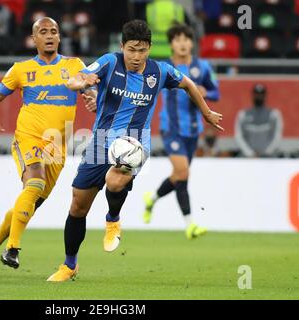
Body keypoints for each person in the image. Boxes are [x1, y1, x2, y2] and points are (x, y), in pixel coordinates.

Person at [47, 20, 223, 282]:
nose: (136, 56)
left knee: (113, 181)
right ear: (122, 47)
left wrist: (206, 112)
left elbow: (188, 84)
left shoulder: (160, 72)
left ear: (150, 48)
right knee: (77, 206)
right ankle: (69, 265)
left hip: (135, 144)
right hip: (100, 142)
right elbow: (76, 79)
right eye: (131, 50)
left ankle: (113, 218)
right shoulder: (109, 62)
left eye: (142, 50)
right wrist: (82, 82)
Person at [0, 17, 95, 276]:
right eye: (43, 32)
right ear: (34, 39)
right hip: (28, 138)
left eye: (54, 31)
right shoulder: (21, 69)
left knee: (30, 203)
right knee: (35, 184)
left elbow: (90, 88)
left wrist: (93, 99)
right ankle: (13, 248)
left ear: (59, 37)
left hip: (58, 147)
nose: (50, 35)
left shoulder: (74, 65)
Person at [142, 24, 220, 240]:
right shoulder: (163, 68)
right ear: (171, 44)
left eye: (186, 39)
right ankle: (190, 225)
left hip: (194, 130)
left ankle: (152, 198)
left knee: (178, 176)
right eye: (177, 40)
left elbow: (216, 91)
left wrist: (206, 91)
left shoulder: (202, 67)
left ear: (192, 43)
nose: (183, 43)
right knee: (183, 173)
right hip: (171, 129)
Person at [235, 84, 283, 158]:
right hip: (248, 158)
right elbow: (239, 136)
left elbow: (277, 136)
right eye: (257, 94)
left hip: (268, 158)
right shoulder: (243, 114)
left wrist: (266, 152)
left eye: (261, 94)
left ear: (265, 96)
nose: (259, 97)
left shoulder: (274, 114)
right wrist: (250, 153)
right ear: (253, 95)